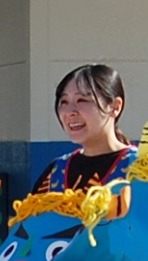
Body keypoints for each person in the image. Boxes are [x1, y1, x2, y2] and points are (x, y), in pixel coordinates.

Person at [33, 65, 136, 193]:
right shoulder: (54, 172)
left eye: (82, 100)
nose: (70, 111)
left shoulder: (141, 169)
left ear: (115, 107)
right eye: (64, 102)